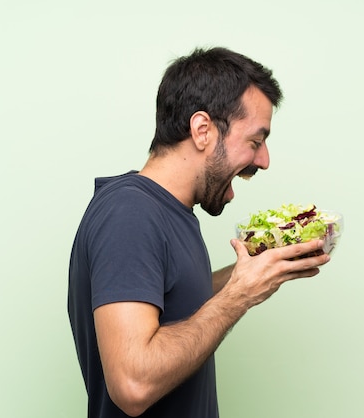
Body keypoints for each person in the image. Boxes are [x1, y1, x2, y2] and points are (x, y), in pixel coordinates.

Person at [67, 46, 331, 418]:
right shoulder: (130, 213)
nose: (265, 160)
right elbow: (133, 384)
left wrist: (257, 271)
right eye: (255, 141)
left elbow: (175, 300)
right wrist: (241, 295)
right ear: (202, 130)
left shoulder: (169, 211)